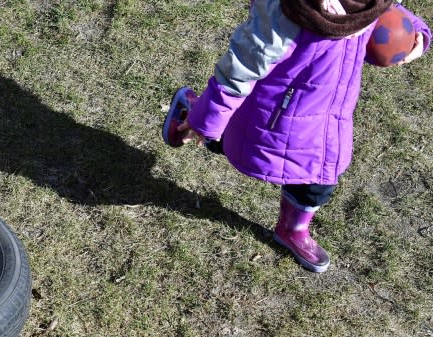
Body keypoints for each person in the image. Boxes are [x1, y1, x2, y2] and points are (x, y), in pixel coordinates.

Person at [162, 0, 430, 272]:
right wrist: (207, 118)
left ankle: (293, 229)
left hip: (327, 117)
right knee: (238, 142)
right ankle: (194, 116)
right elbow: (241, 67)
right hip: (274, 111)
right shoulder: (289, 10)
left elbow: (386, 9)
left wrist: (414, 32)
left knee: (318, 179)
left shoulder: (364, 4)